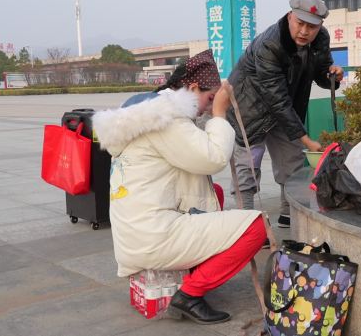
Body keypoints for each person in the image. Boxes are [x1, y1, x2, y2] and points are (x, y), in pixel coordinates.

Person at [93, 49, 265, 324]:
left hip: (136, 232)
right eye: (209, 98)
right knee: (257, 227)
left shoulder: (147, 113)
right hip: (153, 235)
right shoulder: (167, 119)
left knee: (215, 194)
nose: (209, 106)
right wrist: (220, 114)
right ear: (193, 87)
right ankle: (189, 295)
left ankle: (192, 275)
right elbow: (213, 158)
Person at [227, 0, 343, 227]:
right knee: (248, 167)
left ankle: (287, 216)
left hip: (287, 108)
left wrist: (332, 75)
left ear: (320, 26)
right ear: (290, 16)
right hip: (250, 109)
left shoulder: (320, 38)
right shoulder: (270, 43)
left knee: (291, 164)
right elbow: (276, 99)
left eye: (311, 26)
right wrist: (308, 141)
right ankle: (245, 224)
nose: (304, 31)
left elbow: (320, 72)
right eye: (300, 23)